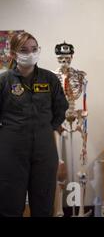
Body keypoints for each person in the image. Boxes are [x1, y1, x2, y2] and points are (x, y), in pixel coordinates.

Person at [0, 32, 69, 217]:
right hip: (11, 148)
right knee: (10, 203)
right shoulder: (4, 81)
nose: (30, 54)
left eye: (34, 49)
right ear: (13, 54)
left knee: (44, 203)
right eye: (24, 50)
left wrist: (47, 128)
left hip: (44, 147)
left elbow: (61, 108)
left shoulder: (49, 79)